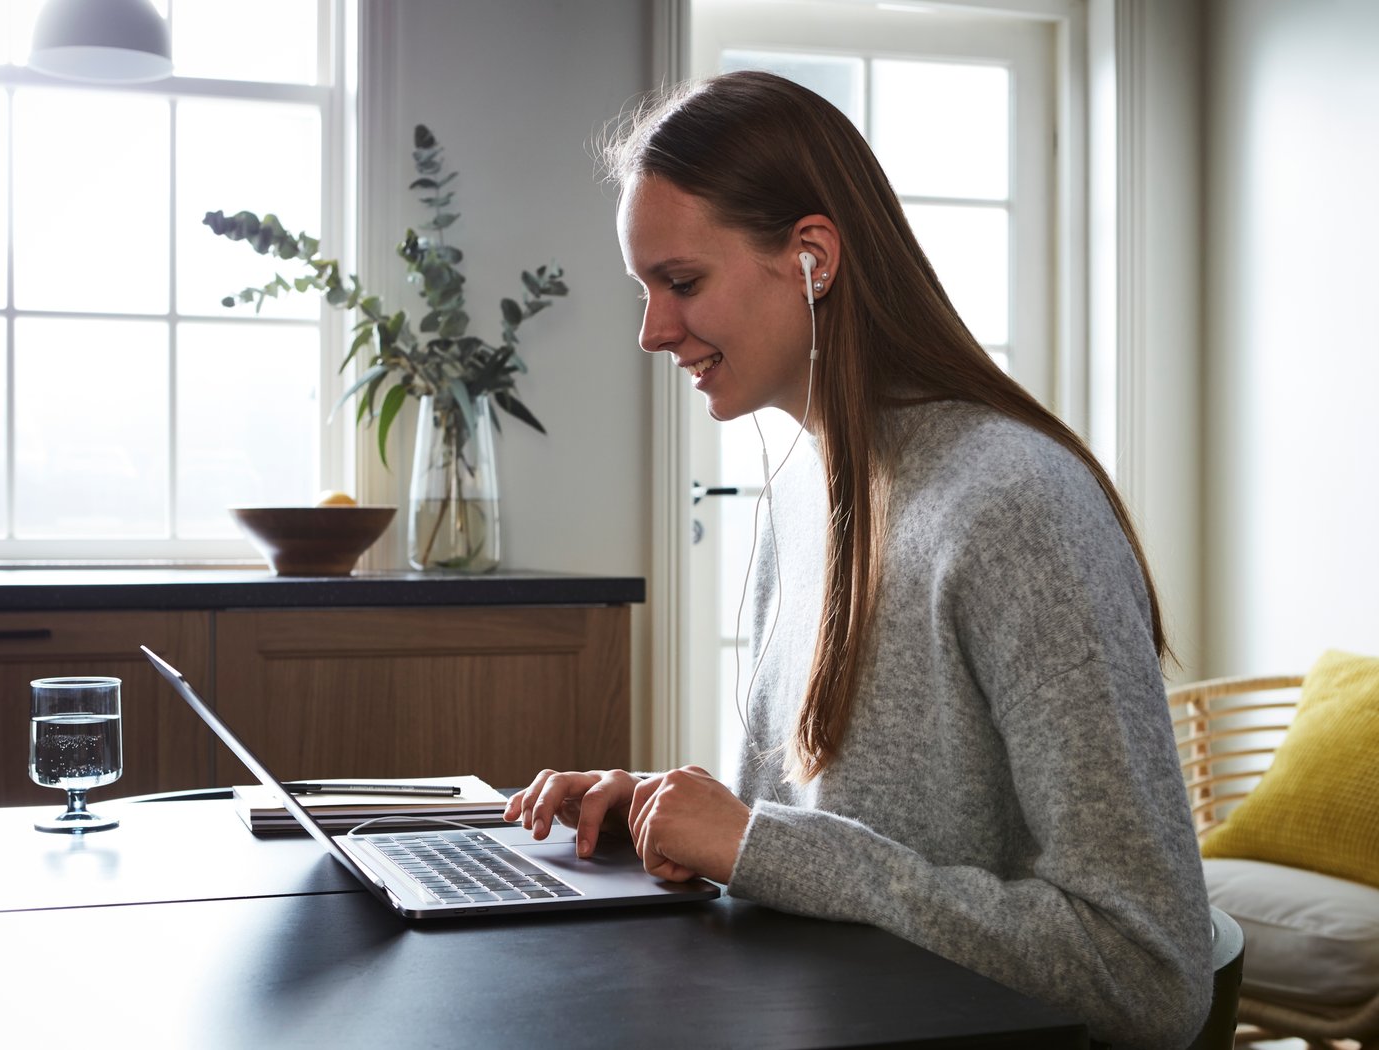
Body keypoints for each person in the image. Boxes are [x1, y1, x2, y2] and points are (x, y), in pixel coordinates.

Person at [504, 70, 1212, 1048]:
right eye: (645, 289)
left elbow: (1149, 975)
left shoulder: (1015, 507)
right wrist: (668, 825)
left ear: (812, 257)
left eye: (682, 282)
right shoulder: (801, 490)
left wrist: (759, 845)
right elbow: (808, 855)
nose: (652, 331)